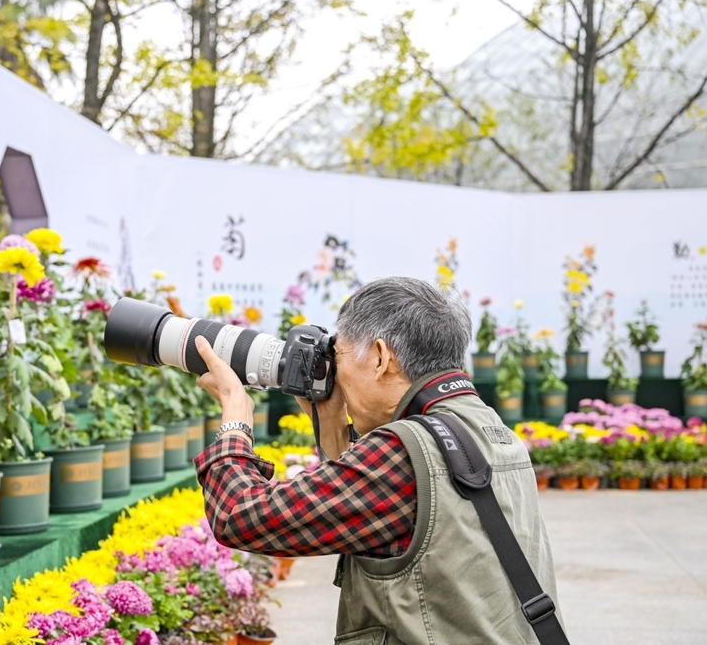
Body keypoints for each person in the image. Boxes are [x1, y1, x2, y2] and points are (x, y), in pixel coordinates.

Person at [192, 276, 562, 644]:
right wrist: (334, 427)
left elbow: (239, 517)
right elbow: (390, 522)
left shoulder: (403, 453)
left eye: (336, 356)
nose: (336, 373)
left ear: (381, 357)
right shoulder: (490, 428)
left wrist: (235, 416)